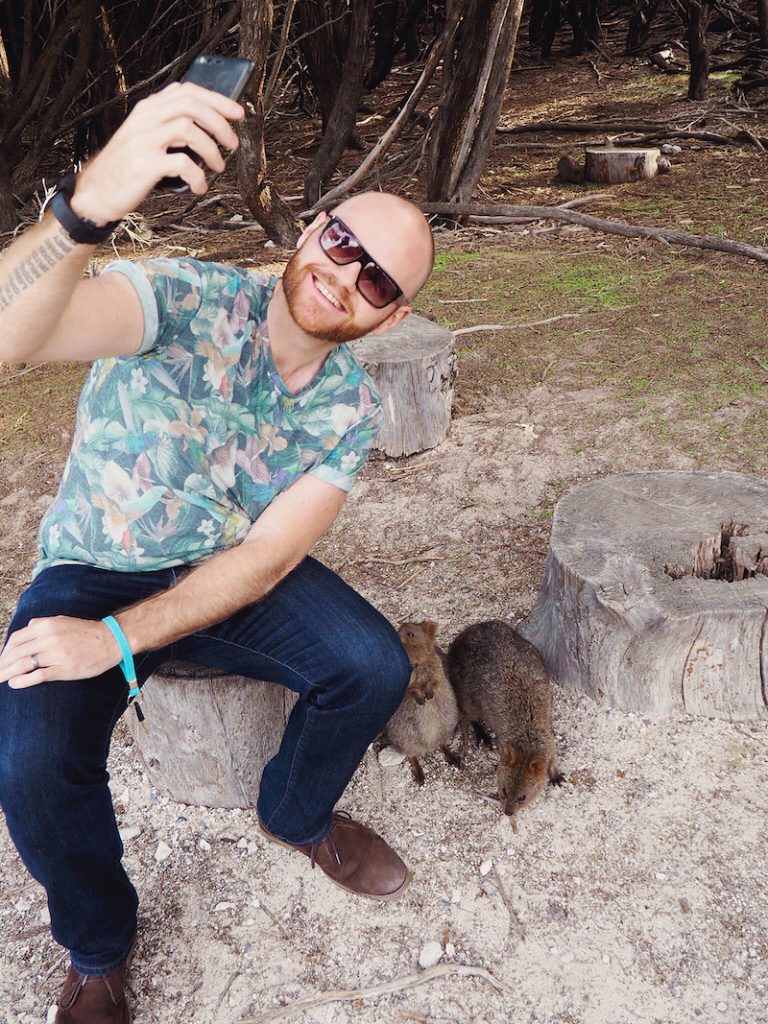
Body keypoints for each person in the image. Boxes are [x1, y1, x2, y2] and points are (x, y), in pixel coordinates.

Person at [0, 81, 435, 1024]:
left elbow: (270, 559)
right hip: (95, 561)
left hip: (228, 568)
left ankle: (295, 813)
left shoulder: (350, 404)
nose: (345, 275)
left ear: (390, 317)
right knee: (29, 765)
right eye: (344, 243)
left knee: (371, 668)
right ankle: (99, 945)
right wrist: (80, 214)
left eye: (378, 282)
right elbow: (6, 337)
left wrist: (115, 640)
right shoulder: (188, 298)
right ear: (312, 227)